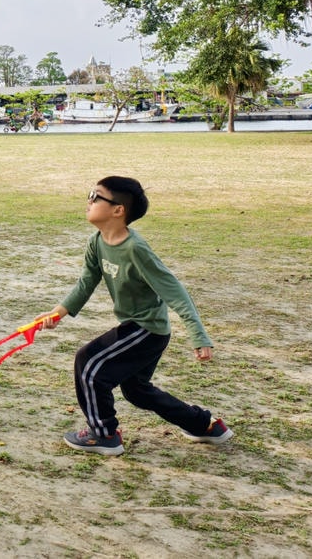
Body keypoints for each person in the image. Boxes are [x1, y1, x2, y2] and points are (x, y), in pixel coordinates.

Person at [36, 176, 233, 456]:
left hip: (147, 329)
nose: (89, 200)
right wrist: (59, 313)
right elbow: (86, 282)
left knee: (88, 362)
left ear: (118, 210)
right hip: (137, 327)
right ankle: (206, 425)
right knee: (137, 391)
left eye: (96, 196)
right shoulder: (97, 241)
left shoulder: (135, 249)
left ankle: (103, 434)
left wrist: (199, 336)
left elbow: (174, 291)